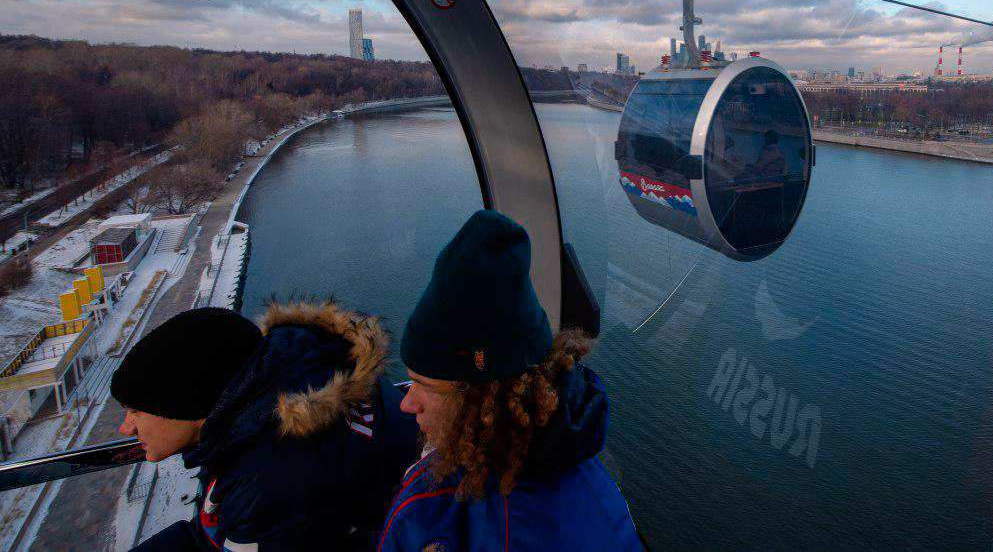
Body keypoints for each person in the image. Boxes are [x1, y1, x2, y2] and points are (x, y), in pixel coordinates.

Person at [378, 210, 643, 551]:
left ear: (478, 396)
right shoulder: (593, 481)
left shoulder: (432, 515)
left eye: (426, 386)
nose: (406, 402)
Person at [112, 302, 419, 550]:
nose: (127, 429)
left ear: (190, 408)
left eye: (136, 411)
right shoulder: (287, 390)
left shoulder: (271, 477)